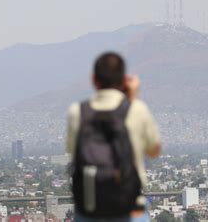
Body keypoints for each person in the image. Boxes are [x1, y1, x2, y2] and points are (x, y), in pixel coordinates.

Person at [66, 52, 161, 222]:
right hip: (129, 209)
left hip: (89, 210)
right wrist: (131, 98)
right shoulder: (137, 109)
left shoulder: (77, 112)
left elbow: (72, 151)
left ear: (94, 79)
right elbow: (154, 150)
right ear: (124, 79)